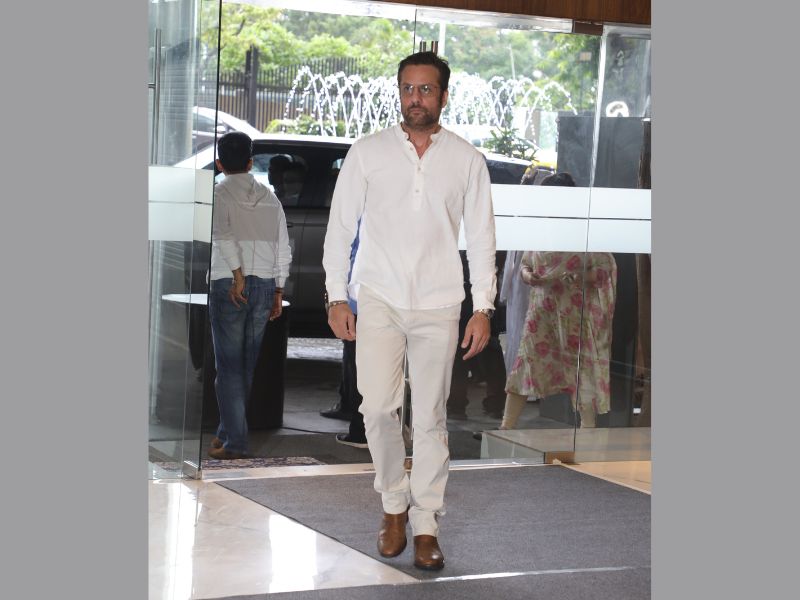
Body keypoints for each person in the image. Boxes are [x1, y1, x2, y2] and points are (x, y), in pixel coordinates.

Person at [322, 51, 496, 571]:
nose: (415, 98)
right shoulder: (368, 152)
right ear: (398, 92)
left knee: (431, 417)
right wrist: (336, 296)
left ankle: (425, 524)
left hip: (440, 301)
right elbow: (340, 228)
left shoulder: (467, 159)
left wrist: (483, 307)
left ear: (444, 95)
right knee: (377, 408)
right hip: (378, 296)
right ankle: (393, 503)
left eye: (425, 89)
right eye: (407, 88)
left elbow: (482, 239)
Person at [501, 172, 617, 430]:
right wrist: (529, 276)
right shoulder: (541, 229)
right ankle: (506, 426)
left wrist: (579, 277)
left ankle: (587, 430)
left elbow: (605, 269)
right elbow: (526, 264)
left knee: (581, 370)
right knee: (526, 364)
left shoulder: (585, 231)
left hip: (576, 315)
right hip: (542, 313)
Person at [207, 132, 292, 459]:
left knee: (228, 367)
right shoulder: (270, 198)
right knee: (245, 365)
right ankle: (226, 432)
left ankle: (236, 442)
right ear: (250, 162)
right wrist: (278, 288)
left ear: (219, 164)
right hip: (265, 284)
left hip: (229, 283)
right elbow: (283, 247)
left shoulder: (219, 193)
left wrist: (237, 275)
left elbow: (222, 235)